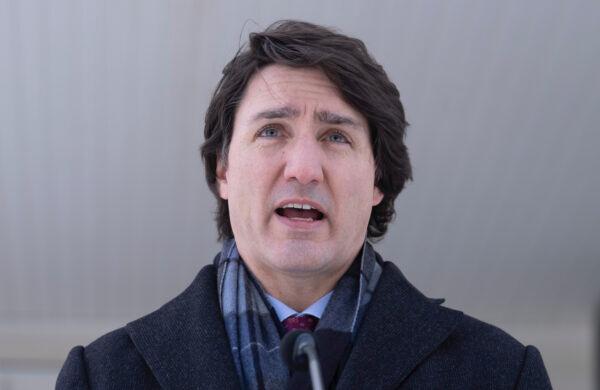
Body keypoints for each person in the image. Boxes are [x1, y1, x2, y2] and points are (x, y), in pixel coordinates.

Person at [56, 20, 552, 389]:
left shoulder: (503, 373)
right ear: (223, 170)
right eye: (272, 131)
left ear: (378, 178)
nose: (304, 168)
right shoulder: (101, 376)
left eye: (336, 136)